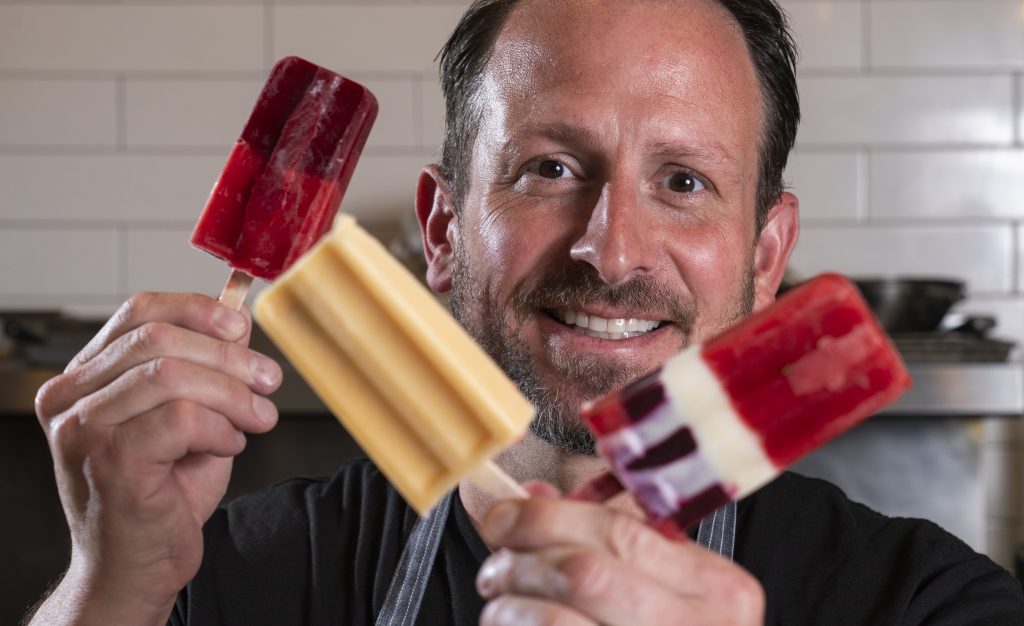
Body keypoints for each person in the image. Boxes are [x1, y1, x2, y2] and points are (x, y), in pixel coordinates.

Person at [27, 0, 1024, 624]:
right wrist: (107, 588)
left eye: (682, 180)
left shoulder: (923, 601)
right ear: (444, 229)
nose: (611, 246)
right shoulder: (229, 573)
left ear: (766, 257)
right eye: (549, 167)